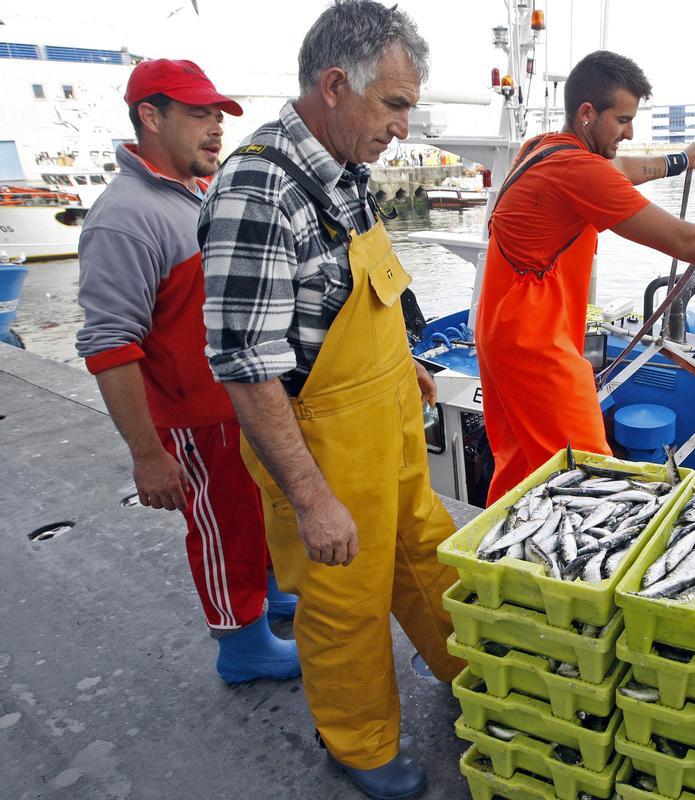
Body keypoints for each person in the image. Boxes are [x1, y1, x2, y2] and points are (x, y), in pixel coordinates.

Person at [199, 3, 461, 798]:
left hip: (388, 427)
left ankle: (466, 668)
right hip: (325, 452)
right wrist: (311, 497)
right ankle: (358, 742)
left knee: (429, 552)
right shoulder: (258, 189)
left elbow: (356, 291)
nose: (404, 127)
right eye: (394, 104)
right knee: (344, 601)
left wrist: (404, 360)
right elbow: (246, 366)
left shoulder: (344, 170)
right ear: (337, 85)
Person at [476, 50, 695, 505]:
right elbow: (687, 242)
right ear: (586, 114)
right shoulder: (577, 171)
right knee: (591, 475)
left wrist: (680, 160)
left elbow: (620, 170)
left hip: (498, 333)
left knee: (520, 464)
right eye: (622, 120)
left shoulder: (542, 148)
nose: (630, 132)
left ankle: (503, 556)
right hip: (535, 347)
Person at [75, 59, 301, 686]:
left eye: (216, 116)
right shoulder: (125, 215)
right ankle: (243, 645)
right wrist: (148, 454)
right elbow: (108, 343)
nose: (214, 129)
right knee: (223, 525)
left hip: (237, 405)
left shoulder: (195, 192)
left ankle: (265, 594)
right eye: (198, 114)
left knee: (253, 511)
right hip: (194, 420)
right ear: (151, 115)